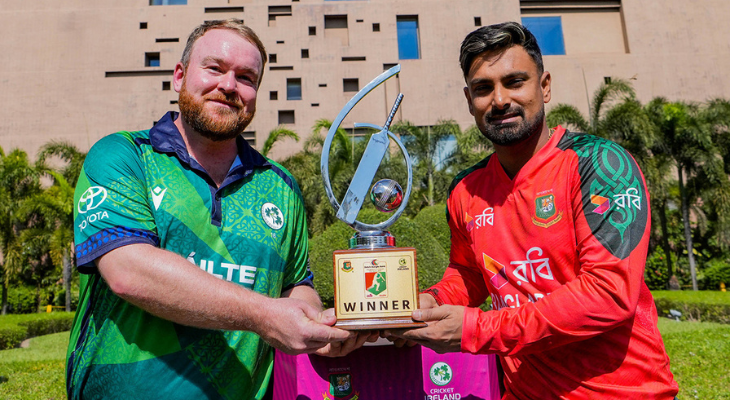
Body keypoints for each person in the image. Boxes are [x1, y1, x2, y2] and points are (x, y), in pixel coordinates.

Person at [66, 19, 368, 400]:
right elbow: (127, 270)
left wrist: (315, 328)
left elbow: (294, 285)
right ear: (179, 76)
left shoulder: (281, 186)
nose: (229, 85)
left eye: (246, 77)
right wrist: (266, 316)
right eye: (214, 68)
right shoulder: (124, 157)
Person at [386, 22, 679, 399]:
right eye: (483, 88)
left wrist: (477, 330)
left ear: (545, 86)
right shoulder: (465, 189)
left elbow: (609, 294)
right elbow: (469, 274)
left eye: (514, 82)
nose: (499, 100)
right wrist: (431, 302)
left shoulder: (599, 164)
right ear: (469, 100)